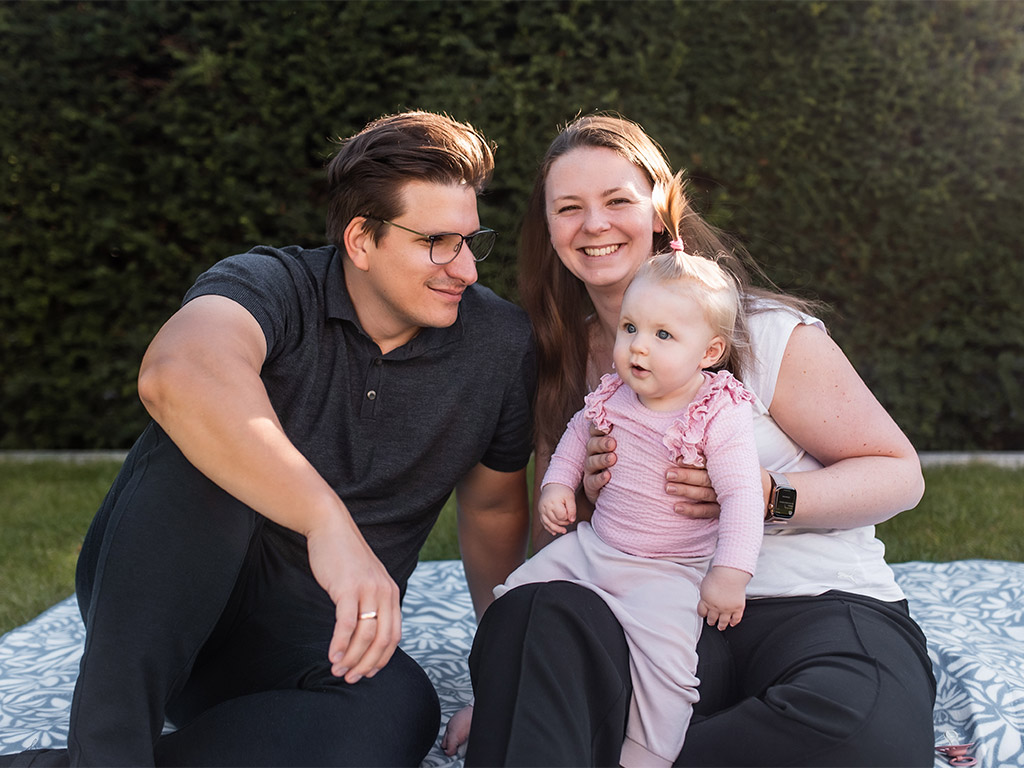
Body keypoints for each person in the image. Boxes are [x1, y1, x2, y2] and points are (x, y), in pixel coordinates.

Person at [2, 111, 535, 767]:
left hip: (311, 640)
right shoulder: (272, 285)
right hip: (165, 610)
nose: (466, 270)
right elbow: (175, 373)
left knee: (393, 714)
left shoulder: (500, 345)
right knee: (202, 448)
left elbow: (493, 510)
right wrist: (325, 521)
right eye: (436, 243)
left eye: (471, 242)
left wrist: (503, 675)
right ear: (361, 240)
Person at [459, 113, 936, 767]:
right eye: (569, 208)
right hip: (649, 612)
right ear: (549, 229)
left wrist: (770, 496)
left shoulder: (762, 332)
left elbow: (899, 473)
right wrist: (514, 682)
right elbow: (558, 536)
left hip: (809, 605)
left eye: (617, 201)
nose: (594, 224)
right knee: (531, 614)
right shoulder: (565, 361)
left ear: (658, 213)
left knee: (858, 734)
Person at [445, 240, 765, 766]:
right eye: (631, 328)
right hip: (595, 548)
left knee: (668, 665)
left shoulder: (716, 412)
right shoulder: (614, 392)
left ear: (709, 353)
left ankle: (647, 753)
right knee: (512, 601)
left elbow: (742, 496)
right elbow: (577, 434)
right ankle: (496, 701)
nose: (639, 348)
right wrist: (556, 486)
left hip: (668, 569)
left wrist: (731, 573)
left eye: (663, 335)